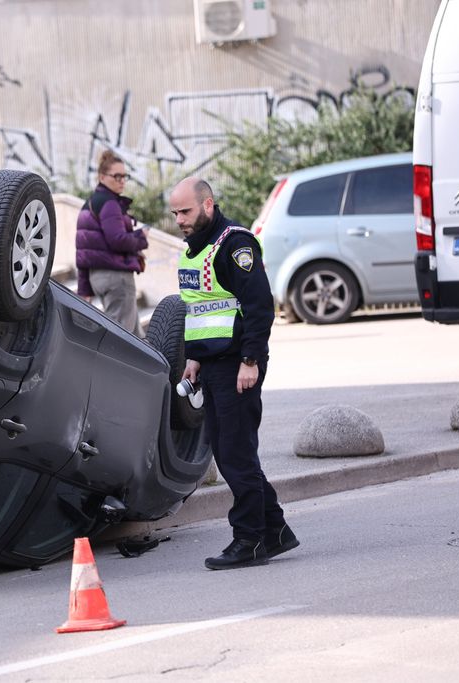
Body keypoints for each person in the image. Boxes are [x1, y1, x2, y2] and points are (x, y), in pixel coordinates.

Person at [169, 176, 298, 570]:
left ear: (208, 204)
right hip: (213, 364)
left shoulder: (234, 244)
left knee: (235, 454)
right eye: (174, 213)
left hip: (238, 364)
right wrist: (194, 358)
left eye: (186, 211)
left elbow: (259, 304)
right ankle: (275, 531)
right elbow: (198, 309)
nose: (179, 220)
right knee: (232, 452)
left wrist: (251, 360)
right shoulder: (194, 251)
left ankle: (249, 539)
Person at [76, 149, 148, 335]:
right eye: (117, 176)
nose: (122, 181)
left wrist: (84, 288)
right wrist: (141, 237)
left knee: (136, 338)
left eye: (125, 176)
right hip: (117, 278)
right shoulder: (110, 204)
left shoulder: (90, 203)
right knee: (121, 340)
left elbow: (83, 250)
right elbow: (118, 241)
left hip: (98, 278)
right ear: (101, 177)